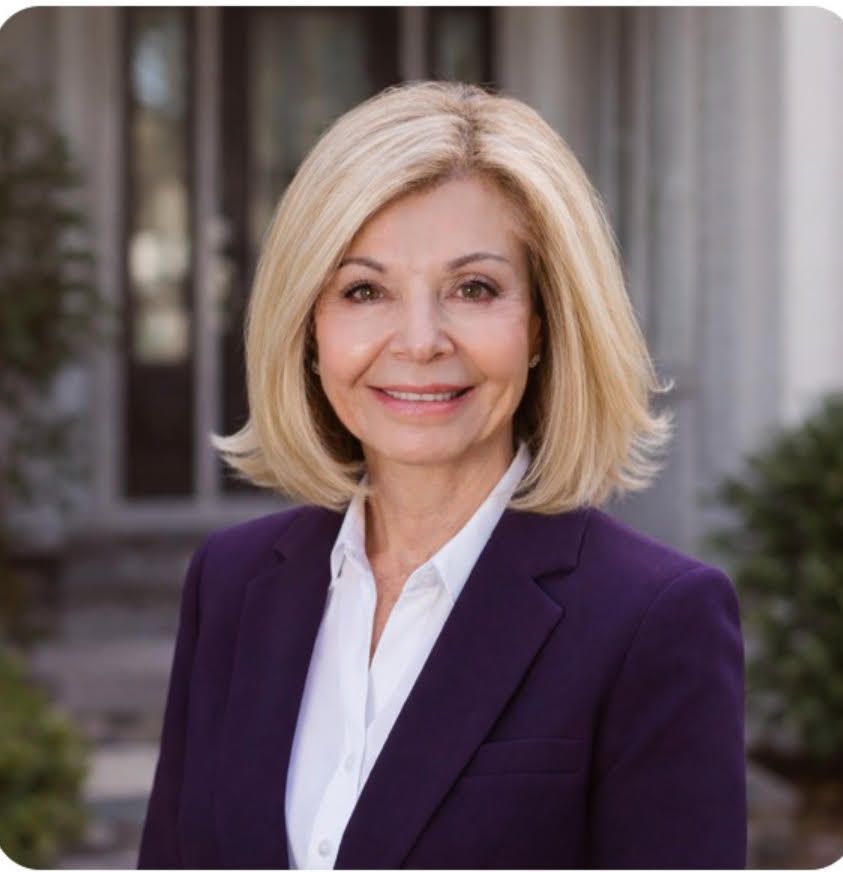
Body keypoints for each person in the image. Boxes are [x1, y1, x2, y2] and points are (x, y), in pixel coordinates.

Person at [137, 81, 746, 870]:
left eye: (474, 289)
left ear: (540, 327)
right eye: (364, 290)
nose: (419, 341)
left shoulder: (656, 620)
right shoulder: (231, 582)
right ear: (309, 327)